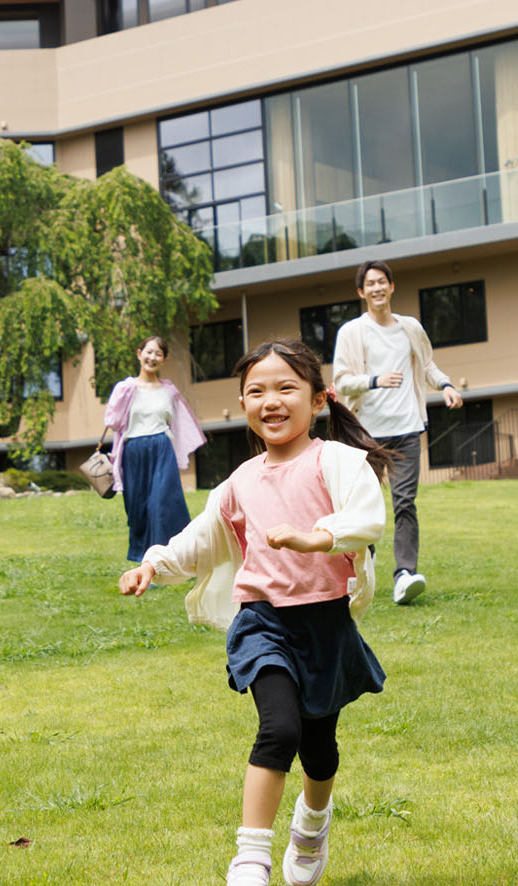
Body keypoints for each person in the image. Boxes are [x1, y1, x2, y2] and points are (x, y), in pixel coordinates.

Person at [119, 339, 393, 886]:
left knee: (320, 748)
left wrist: (316, 538)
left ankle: (313, 824)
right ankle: (250, 858)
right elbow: (203, 538)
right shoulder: (240, 480)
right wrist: (156, 563)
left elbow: (368, 518)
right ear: (243, 404)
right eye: (256, 390)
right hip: (263, 623)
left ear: (319, 399)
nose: (271, 400)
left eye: (286, 387)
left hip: (326, 625)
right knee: (279, 728)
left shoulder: (336, 461)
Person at [329, 259, 463, 605]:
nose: (377, 288)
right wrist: (375, 380)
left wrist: (445, 385)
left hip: (406, 428)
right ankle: (362, 572)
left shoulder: (410, 328)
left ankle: (404, 575)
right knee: (363, 506)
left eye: (382, 282)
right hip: (367, 433)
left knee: (405, 503)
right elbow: (342, 381)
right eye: (370, 284)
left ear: (392, 287)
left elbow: (428, 364)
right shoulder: (351, 332)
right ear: (362, 292)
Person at [100, 336, 207, 563]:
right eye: (149, 352)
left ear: (164, 359)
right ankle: (141, 557)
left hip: (161, 448)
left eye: (158, 354)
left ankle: (170, 559)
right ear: (139, 354)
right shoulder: (126, 387)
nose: (152, 357)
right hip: (133, 450)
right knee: (138, 508)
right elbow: (112, 420)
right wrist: (121, 396)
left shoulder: (169, 391)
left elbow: (180, 423)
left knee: (163, 504)